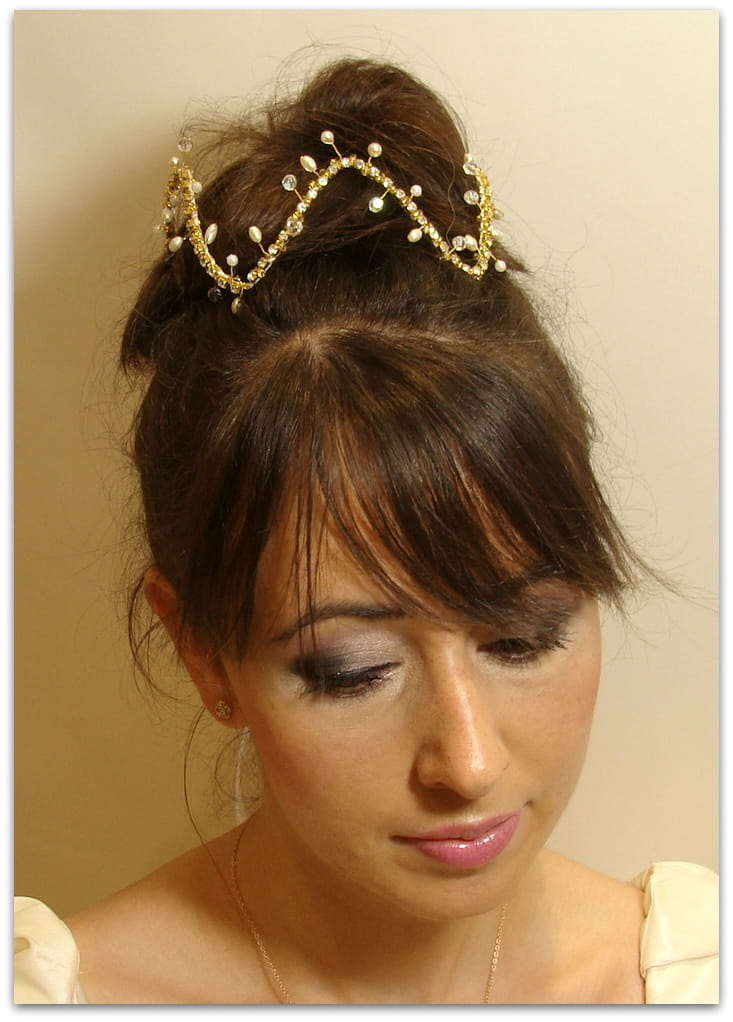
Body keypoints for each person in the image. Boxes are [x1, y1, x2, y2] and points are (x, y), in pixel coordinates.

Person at [14, 57, 718, 1005]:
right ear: (203, 651)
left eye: (522, 638)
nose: (467, 763)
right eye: (351, 670)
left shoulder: (688, 976)